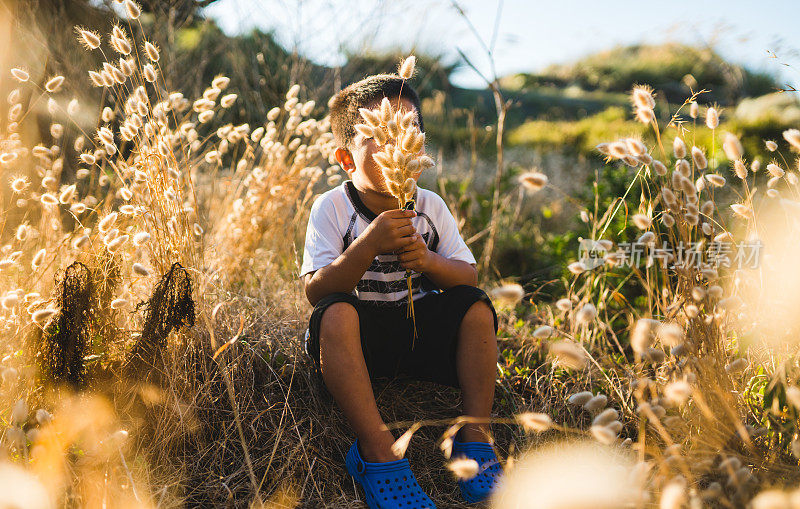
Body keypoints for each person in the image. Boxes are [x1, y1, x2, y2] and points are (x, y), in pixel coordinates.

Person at [300, 73, 502, 508]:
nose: (398, 143)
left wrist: (429, 263)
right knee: (335, 312)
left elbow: (467, 276)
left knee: (477, 308)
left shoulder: (429, 206)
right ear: (345, 158)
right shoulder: (332, 207)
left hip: (421, 338)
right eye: (380, 134)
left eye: (409, 131)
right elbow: (317, 291)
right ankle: (377, 449)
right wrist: (369, 243)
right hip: (360, 348)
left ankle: (475, 435)